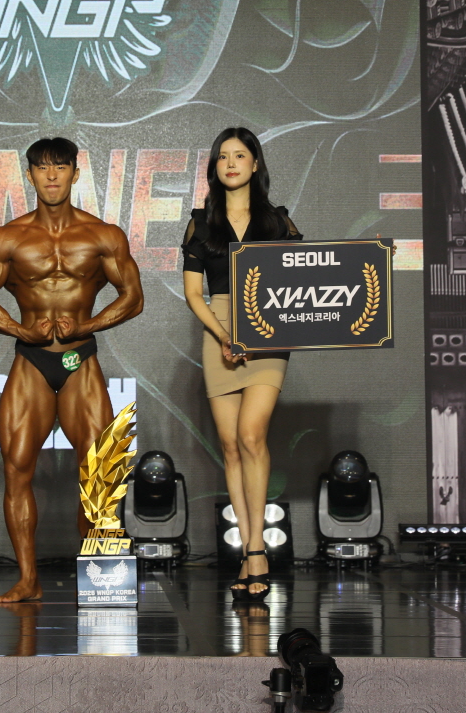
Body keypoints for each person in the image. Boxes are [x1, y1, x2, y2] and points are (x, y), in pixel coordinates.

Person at [0, 137, 144, 603]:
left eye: (60, 167)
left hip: (80, 359)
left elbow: (133, 297)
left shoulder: (103, 235)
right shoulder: (6, 238)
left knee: (100, 473)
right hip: (31, 361)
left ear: (74, 173)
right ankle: (28, 580)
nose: (51, 175)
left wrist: (87, 324)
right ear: (29, 175)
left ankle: (101, 581)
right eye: (42, 168)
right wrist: (20, 330)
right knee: (17, 469)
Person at [181, 128, 301, 599]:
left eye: (240, 155)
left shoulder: (279, 222)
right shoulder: (200, 223)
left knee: (252, 435)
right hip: (220, 330)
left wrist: (365, 259)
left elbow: (307, 277)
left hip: (269, 330)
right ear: (215, 167)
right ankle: (249, 551)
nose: (231, 163)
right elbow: (194, 293)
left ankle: (257, 550)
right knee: (231, 446)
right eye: (223, 157)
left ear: (255, 164)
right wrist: (224, 335)